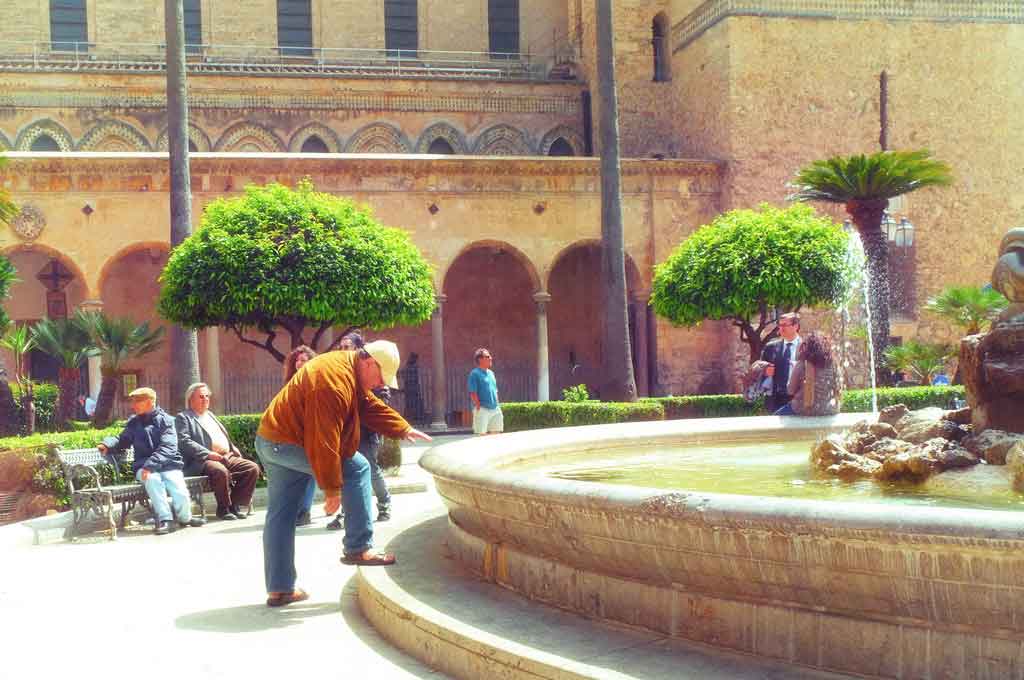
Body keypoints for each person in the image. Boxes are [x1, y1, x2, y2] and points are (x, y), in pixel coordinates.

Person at [256, 340, 432, 607]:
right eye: (381, 376)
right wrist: (332, 490)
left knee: (281, 514)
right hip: (289, 443)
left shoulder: (347, 367)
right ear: (369, 362)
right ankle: (359, 547)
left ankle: (280, 588)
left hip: (271, 441)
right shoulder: (332, 382)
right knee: (358, 467)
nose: (381, 384)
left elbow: (367, 405)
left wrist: (401, 427)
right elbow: (323, 439)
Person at [96, 387, 206, 535]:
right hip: (143, 468)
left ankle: (185, 518)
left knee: (179, 489)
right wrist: (107, 444)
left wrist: (151, 465)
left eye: (136, 402)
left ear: (149, 402)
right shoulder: (134, 423)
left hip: (169, 465)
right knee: (153, 480)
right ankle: (165, 520)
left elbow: (168, 447)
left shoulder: (167, 421)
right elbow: (122, 440)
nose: (132, 405)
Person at [326, 331, 393, 530]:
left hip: (366, 434)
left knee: (371, 471)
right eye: (341, 346)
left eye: (348, 346)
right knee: (348, 473)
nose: (343, 350)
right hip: (345, 435)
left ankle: (384, 503)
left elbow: (380, 404)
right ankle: (347, 513)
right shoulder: (341, 372)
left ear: (358, 348)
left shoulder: (372, 373)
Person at [176, 382, 261, 521]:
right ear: (191, 399)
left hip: (225, 456)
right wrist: (208, 454)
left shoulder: (210, 415)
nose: (206, 399)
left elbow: (220, 434)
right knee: (220, 471)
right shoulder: (184, 417)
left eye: (207, 396)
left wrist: (233, 448)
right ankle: (223, 509)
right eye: (201, 397)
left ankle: (235, 505)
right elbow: (184, 441)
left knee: (251, 468)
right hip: (203, 460)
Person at [284, 345, 319, 527]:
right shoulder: (291, 381)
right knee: (299, 472)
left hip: (310, 431)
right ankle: (299, 510)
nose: (299, 363)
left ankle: (304, 510)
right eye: (297, 360)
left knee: (309, 471)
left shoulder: (315, 380)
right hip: (294, 433)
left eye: (304, 360)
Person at [776, 332, 839, 416]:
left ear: (806, 346)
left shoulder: (802, 363)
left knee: (774, 421)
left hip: (802, 409)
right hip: (828, 409)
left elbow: (790, 391)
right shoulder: (832, 364)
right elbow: (837, 387)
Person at [761, 313, 802, 414]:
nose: (781, 328)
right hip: (775, 400)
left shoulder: (806, 348)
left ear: (795, 326)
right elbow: (760, 370)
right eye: (780, 325)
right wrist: (765, 371)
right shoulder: (770, 347)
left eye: (785, 325)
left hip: (797, 399)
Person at [468, 348, 503, 435]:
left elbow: (495, 390)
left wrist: (497, 404)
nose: (491, 358)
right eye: (487, 356)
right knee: (481, 435)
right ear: (480, 359)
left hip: (495, 408)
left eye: (490, 356)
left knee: (496, 434)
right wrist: (478, 406)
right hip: (482, 409)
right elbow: (473, 392)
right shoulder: (474, 373)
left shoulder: (491, 373)